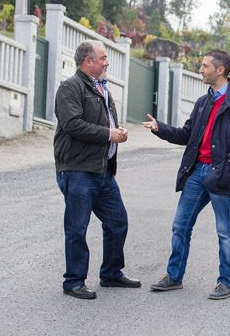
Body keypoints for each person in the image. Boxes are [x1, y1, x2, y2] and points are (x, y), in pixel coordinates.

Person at [143, 50, 230, 300]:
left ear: (220, 70)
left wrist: (229, 162)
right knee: (180, 225)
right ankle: (174, 277)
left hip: (223, 174)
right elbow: (187, 135)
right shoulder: (203, 102)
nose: (201, 69)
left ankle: (226, 283)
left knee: (225, 231)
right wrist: (159, 128)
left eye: (205, 66)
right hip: (197, 173)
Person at [54, 40, 140, 299]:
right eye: (102, 58)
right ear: (88, 61)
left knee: (117, 222)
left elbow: (103, 123)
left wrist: (117, 131)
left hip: (102, 170)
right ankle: (73, 282)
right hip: (78, 169)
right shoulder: (70, 88)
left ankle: (111, 273)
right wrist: (109, 134)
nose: (107, 62)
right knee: (77, 227)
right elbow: (72, 124)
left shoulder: (100, 87)